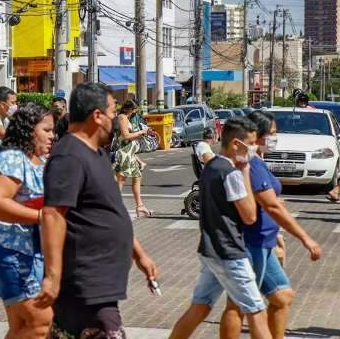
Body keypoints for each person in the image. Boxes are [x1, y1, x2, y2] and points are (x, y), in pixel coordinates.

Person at [40, 83, 159, 338]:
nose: (115, 118)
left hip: (99, 285)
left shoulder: (97, 154)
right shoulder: (69, 156)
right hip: (84, 285)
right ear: (96, 116)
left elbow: (111, 210)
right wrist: (52, 276)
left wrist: (140, 255)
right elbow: (53, 215)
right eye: (112, 111)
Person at [217, 111, 321, 338]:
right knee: (239, 306)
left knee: (282, 297)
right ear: (257, 136)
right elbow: (272, 207)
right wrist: (305, 237)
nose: (276, 137)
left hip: (264, 241)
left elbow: (268, 200)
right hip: (250, 243)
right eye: (272, 133)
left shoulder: (256, 161)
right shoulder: (250, 165)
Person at [169, 118, 272, 339]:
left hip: (210, 249)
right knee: (257, 310)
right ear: (236, 144)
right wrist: (244, 170)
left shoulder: (211, 167)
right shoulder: (232, 173)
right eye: (251, 144)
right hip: (230, 252)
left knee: (201, 306)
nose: (255, 149)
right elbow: (250, 215)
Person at [0, 103, 55, 338]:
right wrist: (41, 216)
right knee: (40, 323)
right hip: (8, 252)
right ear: (29, 130)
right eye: (47, 130)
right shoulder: (13, 158)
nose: (53, 135)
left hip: (27, 254)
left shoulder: (37, 161)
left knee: (22, 327)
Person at [113, 99, 154, 218]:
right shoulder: (122, 117)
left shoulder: (128, 118)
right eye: (133, 110)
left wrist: (138, 160)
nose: (134, 113)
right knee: (121, 179)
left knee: (137, 177)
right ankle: (114, 207)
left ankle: (140, 207)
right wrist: (141, 132)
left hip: (130, 154)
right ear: (127, 109)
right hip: (124, 154)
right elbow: (126, 136)